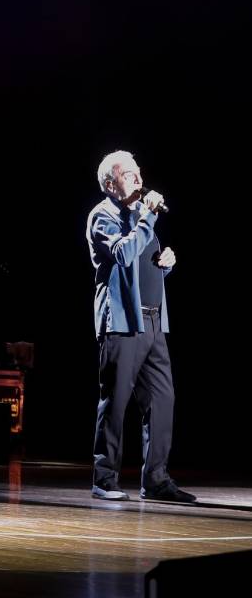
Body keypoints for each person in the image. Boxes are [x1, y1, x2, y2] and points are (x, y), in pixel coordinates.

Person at [87, 150, 195, 503]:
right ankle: (104, 479)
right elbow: (122, 254)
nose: (137, 178)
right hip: (121, 322)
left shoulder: (139, 215)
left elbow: (145, 265)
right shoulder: (102, 217)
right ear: (109, 183)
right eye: (127, 174)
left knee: (163, 400)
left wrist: (166, 263)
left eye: (137, 172)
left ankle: (157, 479)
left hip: (153, 320)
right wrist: (146, 218)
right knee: (115, 401)